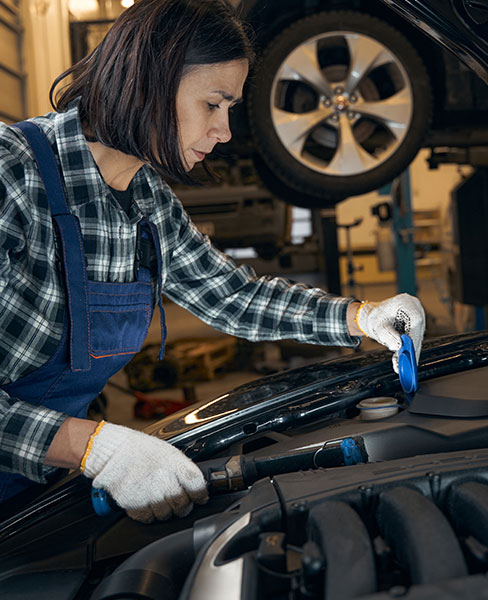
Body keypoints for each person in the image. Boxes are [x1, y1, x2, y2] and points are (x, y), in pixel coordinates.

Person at [0, 0, 425, 523]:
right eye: (213, 105)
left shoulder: (145, 198)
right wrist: (92, 448)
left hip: (29, 490)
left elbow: (230, 297)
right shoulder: (11, 177)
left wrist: (359, 317)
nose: (224, 132)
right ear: (149, 84)